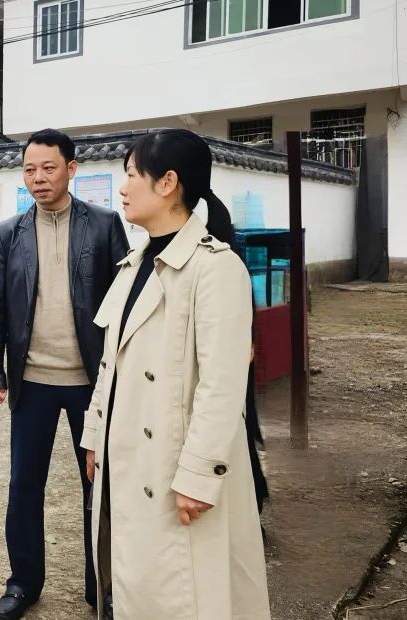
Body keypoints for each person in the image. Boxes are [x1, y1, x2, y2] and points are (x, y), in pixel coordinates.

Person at [81, 129, 271, 619]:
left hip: (175, 466)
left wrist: (198, 477)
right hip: (128, 457)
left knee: (184, 594)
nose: (123, 187)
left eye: (131, 175)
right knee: (136, 583)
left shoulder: (215, 268)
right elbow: (110, 364)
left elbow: (222, 387)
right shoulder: (134, 264)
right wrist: (94, 435)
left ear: (167, 183)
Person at [0, 128, 129, 619]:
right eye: (29, 169)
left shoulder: (104, 225)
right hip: (33, 382)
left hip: (91, 382)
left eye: (48, 167)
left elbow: (123, 305)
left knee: (99, 487)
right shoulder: (7, 234)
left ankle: (102, 586)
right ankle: (23, 583)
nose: (38, 178)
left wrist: (121, 373)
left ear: (71, 169)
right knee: (24, 487)